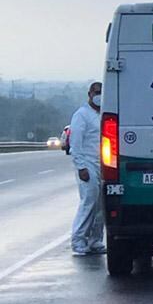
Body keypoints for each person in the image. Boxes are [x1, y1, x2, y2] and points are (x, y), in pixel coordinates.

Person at [69, 82, 105, 256]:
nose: (99, 95)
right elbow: (75, 143)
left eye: (101, 92)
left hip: (103, 164)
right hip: (88, 164)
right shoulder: (81, 115)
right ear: (90, 93)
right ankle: (78, 240)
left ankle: (95, 240)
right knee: (89, 202)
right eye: (96, 92)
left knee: (100, 205)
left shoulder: (103, 114)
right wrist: (81, 167)